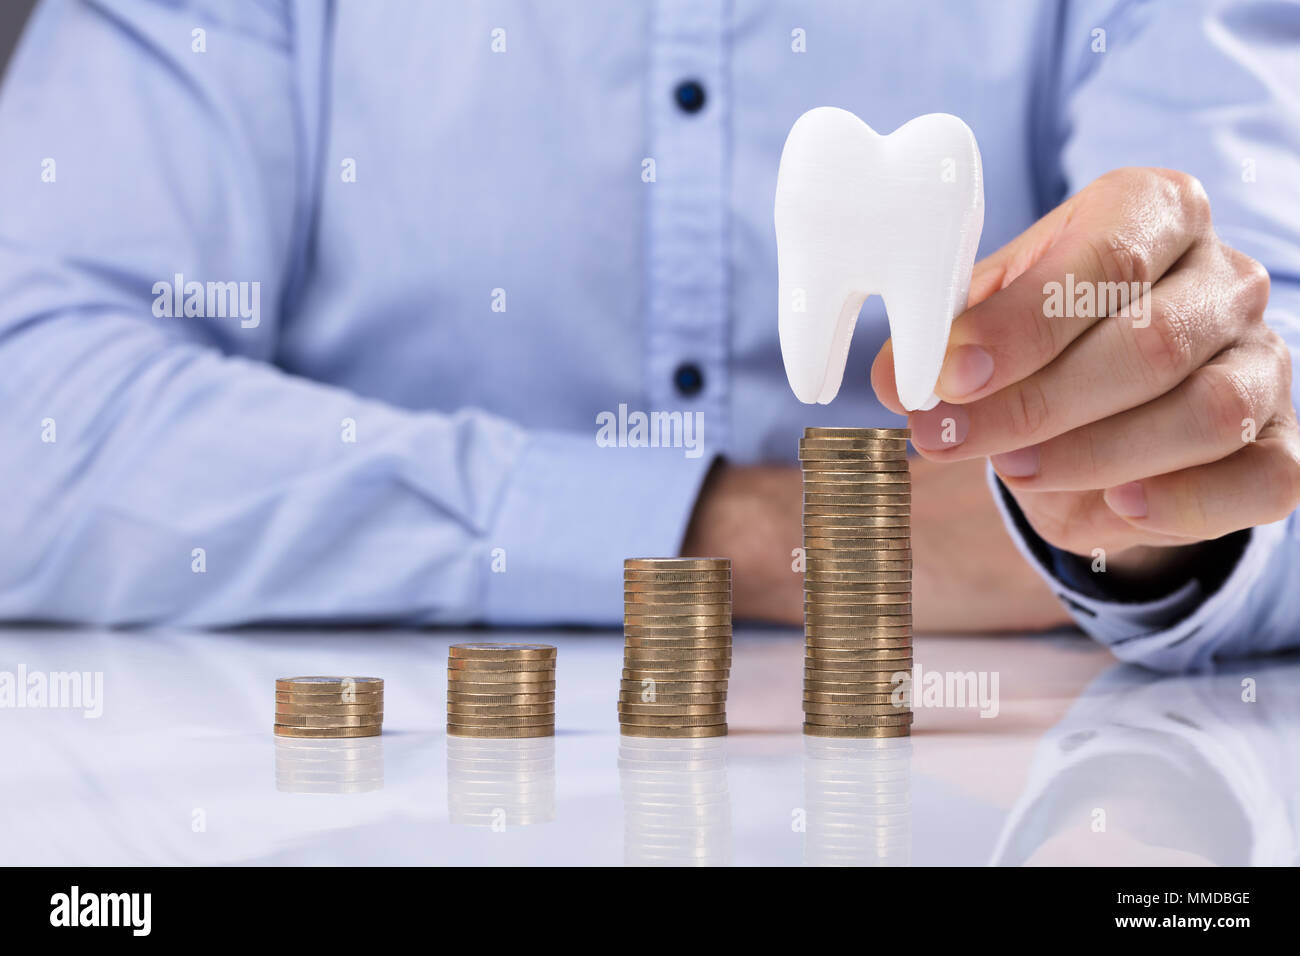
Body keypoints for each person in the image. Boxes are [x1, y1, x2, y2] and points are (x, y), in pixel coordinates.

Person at [0, 0, 1295, 672]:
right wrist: (748, 537)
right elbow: (29, 413)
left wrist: (1158, 495)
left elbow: (1267, 343)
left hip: (1016, 788)